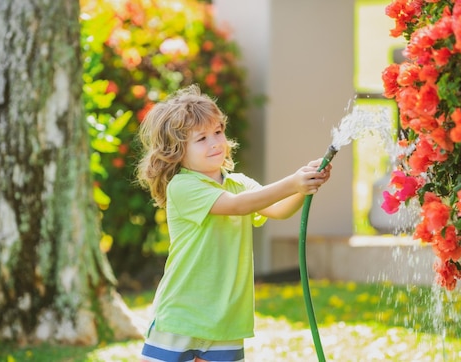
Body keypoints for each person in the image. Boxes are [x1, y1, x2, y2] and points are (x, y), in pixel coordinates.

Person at [136, 84, 332, 362]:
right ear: (177, 151)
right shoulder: (183, 186)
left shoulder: (238, 183)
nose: (215, 142)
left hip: (226, 318)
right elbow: (236, 206)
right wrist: (292, 182)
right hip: (182, 314)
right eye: (201, 138)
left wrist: (305, 186)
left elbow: (278, 208)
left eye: (218, 132)